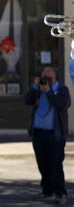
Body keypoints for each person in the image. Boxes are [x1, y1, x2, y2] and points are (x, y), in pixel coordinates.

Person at [24, 66, 70, 204]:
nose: (45, 77)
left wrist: (49, 92)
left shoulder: (62, 90)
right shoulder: (38, 90)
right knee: (43, 165)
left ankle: (60, 193)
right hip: (39, 133)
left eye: (48, 75)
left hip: (54, 135)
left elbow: (62, 104)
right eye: (43, 75)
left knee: (55, 165)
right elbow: (27, 100)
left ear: (55, 77)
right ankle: (47, 191)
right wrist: (34, 87)